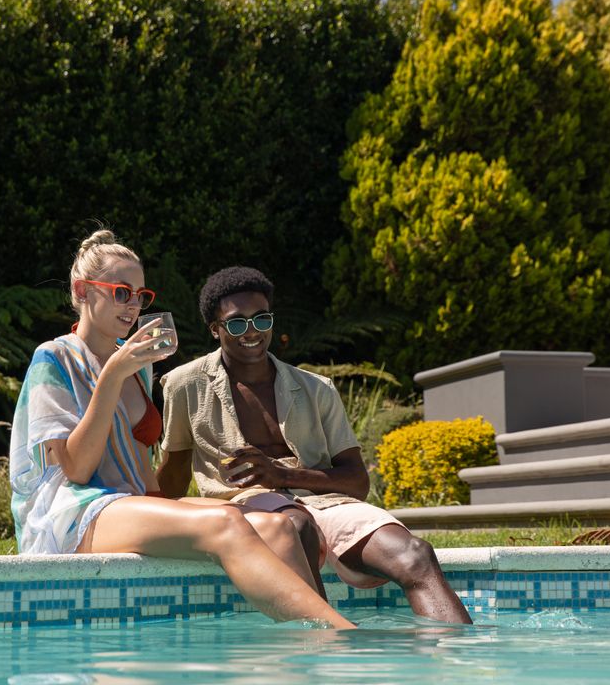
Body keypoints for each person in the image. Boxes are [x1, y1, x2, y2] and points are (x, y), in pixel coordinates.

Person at [9, 231, 354, 628]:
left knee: (276, 527)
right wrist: (111, 376)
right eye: (122, 292)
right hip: (77, 512)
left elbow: (138, 462)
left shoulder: (138, 365)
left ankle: (299, 660)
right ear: (83, 291)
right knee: (224, 522)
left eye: (141, 295)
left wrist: (168, 507)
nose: (134, 305)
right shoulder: (54, 359)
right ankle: (338, 636)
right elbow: (77, 470)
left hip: (129, 502)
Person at [156, 266, 472, 624]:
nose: (253, 332)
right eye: (237, 323)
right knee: (297, 527)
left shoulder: (317, 388)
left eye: (261, 319)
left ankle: (460, 664)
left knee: (415, 554)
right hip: (250, 507)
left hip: (327, 502)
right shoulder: (185, 385)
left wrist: (279, 473)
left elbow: (357, 482)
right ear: (216, 329)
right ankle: (326, 656)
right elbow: (175, 475)